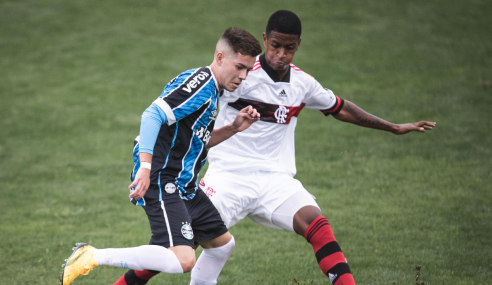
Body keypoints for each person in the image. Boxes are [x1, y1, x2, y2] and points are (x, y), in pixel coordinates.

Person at [186, 10, 437, 285]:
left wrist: (393, 126)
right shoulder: (240, 74)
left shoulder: (302, 84)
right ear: (265, 39)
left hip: (275, 180)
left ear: (298, 45)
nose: (281, 54)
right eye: (275, 46)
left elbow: (341, 108)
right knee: (184, 243)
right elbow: (198, 98)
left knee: (317, 225)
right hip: (228, 177)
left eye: (289, 48)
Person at [60, 27, 262, 285]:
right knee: (183, 260)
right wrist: (145, 167)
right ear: (221, 58)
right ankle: (91, 256)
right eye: (240, 67)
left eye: (248, 69)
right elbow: (152, 115)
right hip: (163, 178)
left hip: (184, 183)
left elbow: (195, 143)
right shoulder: (201, 83)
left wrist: (233, 128)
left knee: (222, 245)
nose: (244, 76)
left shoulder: (213, 90)